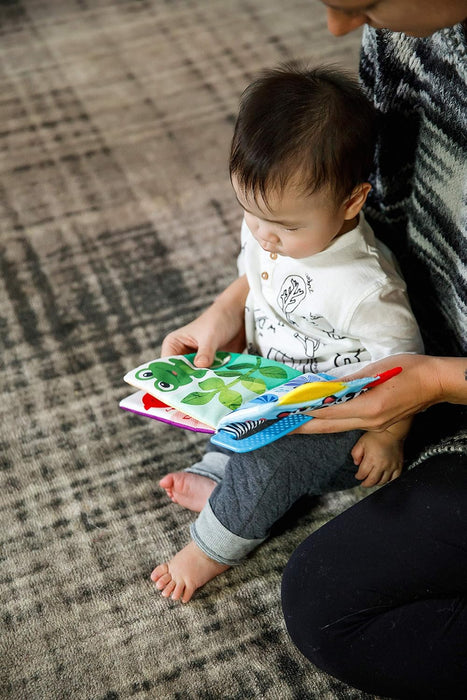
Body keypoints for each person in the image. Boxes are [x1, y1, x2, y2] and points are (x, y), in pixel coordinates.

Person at [151, 63, 424, 604]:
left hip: (343, 417)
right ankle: (222, 478)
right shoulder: (269, 224)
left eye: (287, 227)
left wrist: (389, 435)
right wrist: (221, 310)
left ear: (352, 201)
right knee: (225, 406)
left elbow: (407, 365)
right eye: (250, 214)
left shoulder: (365, 287)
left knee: (272, 460)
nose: (264, 237)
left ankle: (213, 545)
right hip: (275, 382)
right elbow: (255, 274)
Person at [281, 1, 467, 698]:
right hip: (434, 372)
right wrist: (242, 300)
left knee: (333, 612)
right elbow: (363, 215)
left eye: (361, 4)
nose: (337, 29)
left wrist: (435, 383)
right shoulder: (409, 35)